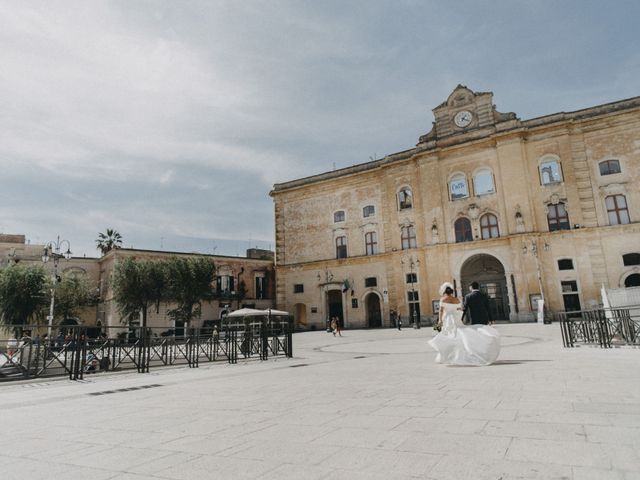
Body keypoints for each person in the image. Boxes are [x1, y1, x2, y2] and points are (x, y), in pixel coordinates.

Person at [428, 282, 500, 366]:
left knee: (447, 335)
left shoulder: (445, 299)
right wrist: (491, 319)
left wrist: (440, 320)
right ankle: (478, 350)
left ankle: (446, 356)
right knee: (463, 335)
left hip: (447, 319)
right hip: (460, 319)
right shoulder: (457, 299)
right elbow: (460, 310)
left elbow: (441, 311)